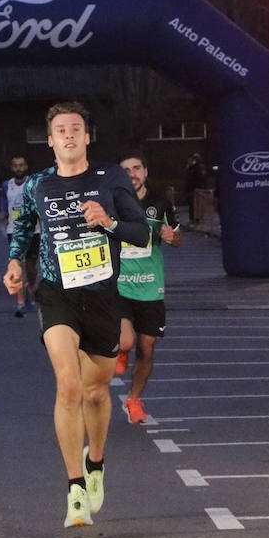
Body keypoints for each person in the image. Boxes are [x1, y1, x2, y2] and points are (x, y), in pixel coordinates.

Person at [2, 102, 149, 528]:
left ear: (87, 137)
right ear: (50, 141)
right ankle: (75, 490)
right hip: (56, 293)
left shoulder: (111, 179)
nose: (68, 135)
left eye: (76, 129)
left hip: (102, 296)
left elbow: (141, 231)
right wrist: (14, 263)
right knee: (68, 385)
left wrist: (109, 223)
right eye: (60, 130)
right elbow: (24, 228)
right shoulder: (36, 185)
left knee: (95, 393)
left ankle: (96, 464)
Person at [114, 152, 180, 424]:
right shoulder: (112, 204)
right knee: (127, 339)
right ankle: (120, 348)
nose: (133, 173)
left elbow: (178, 239)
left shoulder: (160, 203)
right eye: (126, 169)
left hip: (151, 286)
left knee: (147, 348)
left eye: (137, 168)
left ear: (145, 172)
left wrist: (172, 236)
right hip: (119, 284)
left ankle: (133, 400)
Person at [0, 154, 39, 317]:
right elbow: (3, 202)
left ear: (26, 167)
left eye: (21, 165)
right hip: (14, 231)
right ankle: (21, 301)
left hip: (34, 231)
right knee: (18, 265)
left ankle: (31, 289)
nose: (18, 168)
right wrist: (1, 211)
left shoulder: (34, 183)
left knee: (30, 268)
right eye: (15, 166)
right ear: (12, 168)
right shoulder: (6, 185)